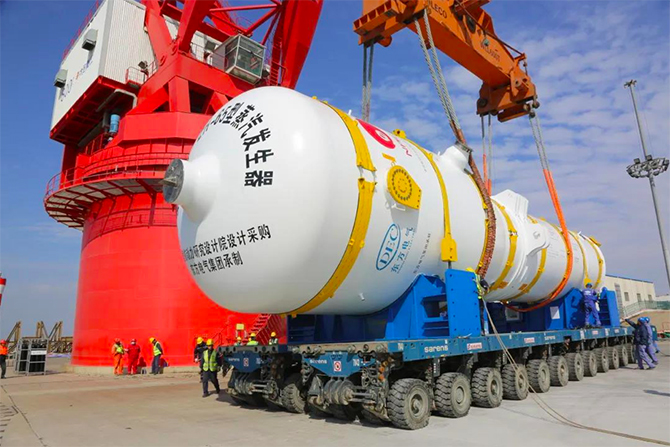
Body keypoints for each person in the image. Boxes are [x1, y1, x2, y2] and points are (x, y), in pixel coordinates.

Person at [466, 267, 490, 335]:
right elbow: (486, 287)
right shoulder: (477, 278)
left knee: (479, 315)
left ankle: (482, 330)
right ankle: (481, 330)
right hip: (474, 300)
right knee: (479, 315)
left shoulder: (477, 278)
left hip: (478, 299)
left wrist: (482, 292)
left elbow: (486, 288)